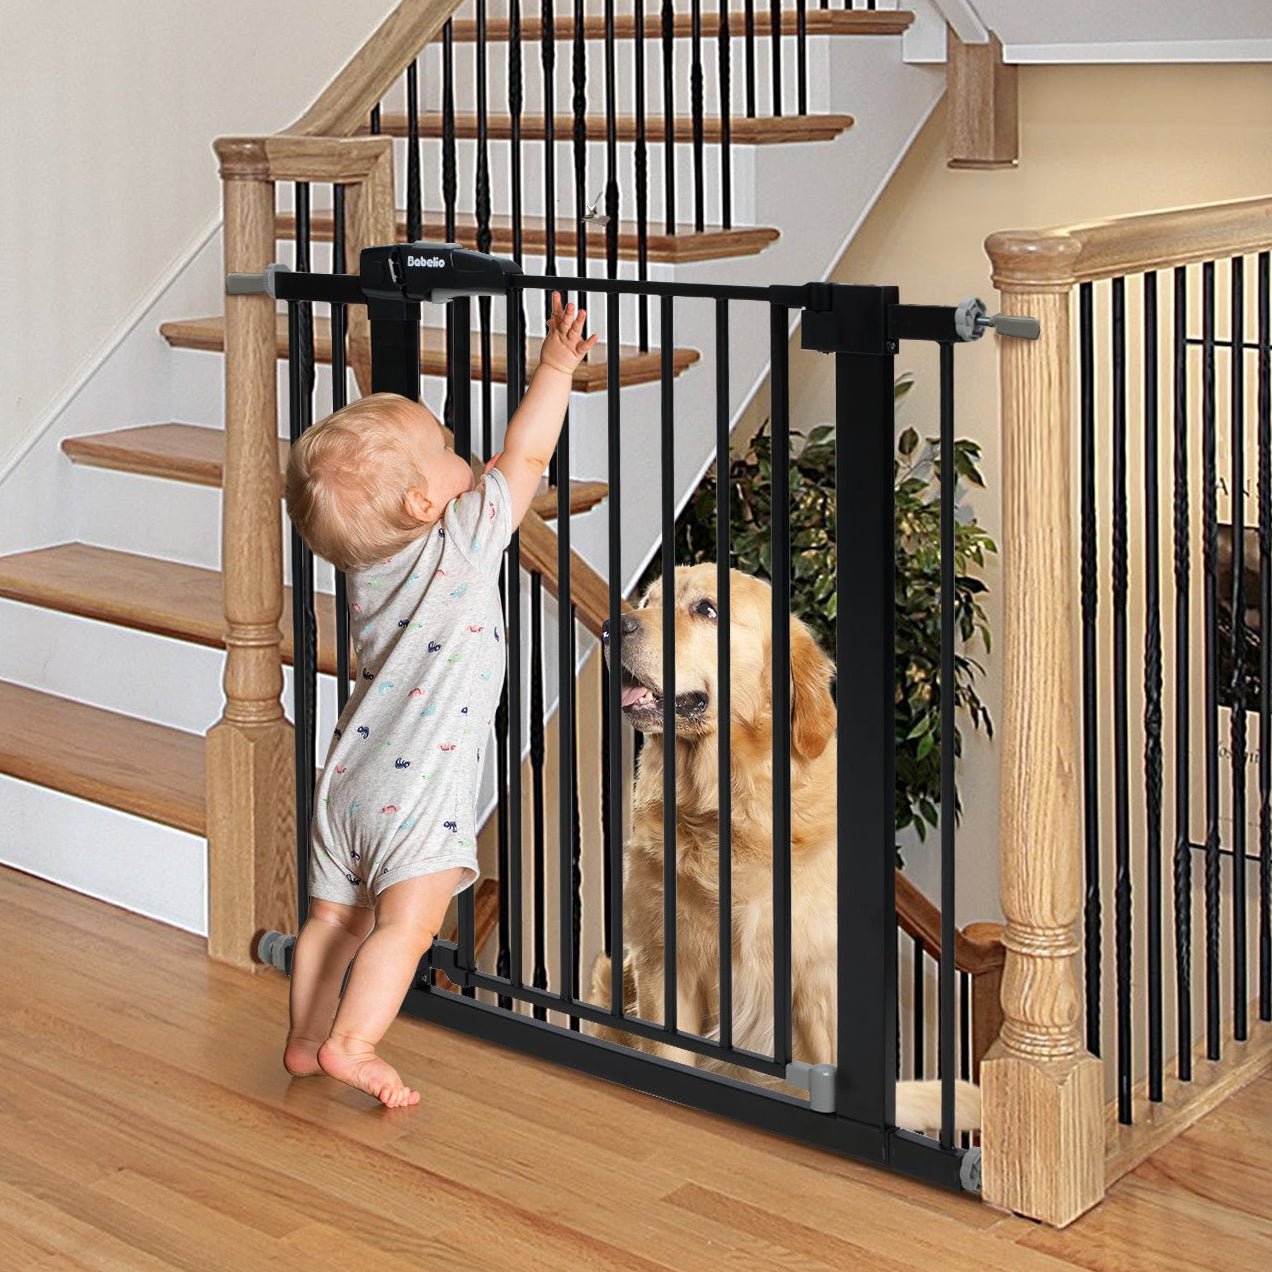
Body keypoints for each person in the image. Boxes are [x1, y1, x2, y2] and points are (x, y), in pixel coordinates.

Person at [280, 294, 596, 1107]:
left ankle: (307, 1039)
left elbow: (490, 467)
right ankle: (355, 1044)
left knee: (333, 922)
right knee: (405, 927)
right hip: (414, 795)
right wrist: (555, 367)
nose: (469, 461)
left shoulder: (367, 565)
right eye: (449, 450)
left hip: (347, 782)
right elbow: (524, 458)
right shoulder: (460, 534)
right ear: (425, 503)